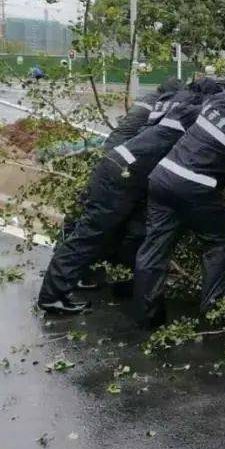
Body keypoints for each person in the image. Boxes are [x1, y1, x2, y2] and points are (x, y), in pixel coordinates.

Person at [36, 76, 224, 315]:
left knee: (126, 232)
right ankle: (52, 296)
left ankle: (120, 283)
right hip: (122, 176)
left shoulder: (173, 105)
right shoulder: (191, 113)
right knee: (90, 234)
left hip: (121, 168)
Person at [133, 67, 225, 329]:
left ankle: (146, 315)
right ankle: (213, 313)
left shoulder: (216, 104)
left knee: (154, 248)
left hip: (162, 178)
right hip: (196, 188)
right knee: (222, 242)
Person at [62, 78, 185, 292]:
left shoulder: (148, 100)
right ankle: (73, 274)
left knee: (85, 217)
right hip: (122, 167)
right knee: (98, 224)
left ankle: (74, 270)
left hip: (110, 158)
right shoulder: (159, 107)